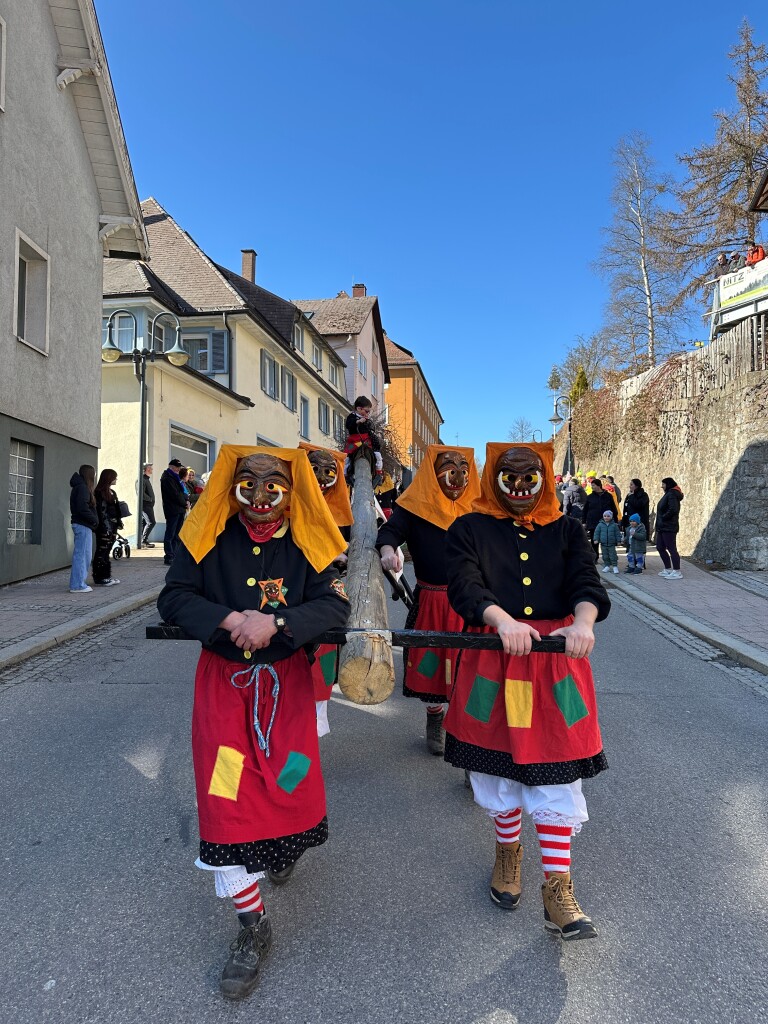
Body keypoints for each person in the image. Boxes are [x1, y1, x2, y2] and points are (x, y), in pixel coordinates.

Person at [157, 446, 350, 1002]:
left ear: (291, 492)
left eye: (274, 487)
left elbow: (335, 605)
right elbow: (174, 596)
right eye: (250, 485)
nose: (262, 498)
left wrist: (279, 622)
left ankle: (282, 846)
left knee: (288, 782)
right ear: (233, 485)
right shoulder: (209, 538)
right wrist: (229, 619)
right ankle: (251, 924)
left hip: (287, 689)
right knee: (226, 794)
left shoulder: (307, 541)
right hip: (224, 690)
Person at [443, 441, 610, 940]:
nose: (519, 488)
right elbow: (465, 584)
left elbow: (587, 580)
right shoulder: (468, 527)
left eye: (529, 478)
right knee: (500, 774)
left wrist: (584, 622)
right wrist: (499, 619)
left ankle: (558, 888)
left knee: (556, 772)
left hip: (556, 667)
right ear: (493, 476)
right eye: (508, 477)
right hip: (495, 660)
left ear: (545, 477)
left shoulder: (567, 527)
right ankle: (508, 854)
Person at [375, 446, 481, 755]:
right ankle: (435, 720)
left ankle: (466, 739)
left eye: (463, 466)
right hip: (432, 601)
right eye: (448, 465)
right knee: (432, 669)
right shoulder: (415, 507)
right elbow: (390, 532)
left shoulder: (479, 509)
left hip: (472, 604)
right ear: (432, 473)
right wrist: (388, 550)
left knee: (471, 669)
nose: (456, 472)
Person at [300, 442, 354, 738]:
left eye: (328, 471)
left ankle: (303, 762)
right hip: (292, 604)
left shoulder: (339, 511)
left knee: (320, 685)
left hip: (327, 603)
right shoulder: (287, 508)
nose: (321, 477)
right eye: (314, 470)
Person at [69, 465, 98, 593]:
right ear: (89, 475)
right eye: (94, 474)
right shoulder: (82, 488)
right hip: (83, 525)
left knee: (83, 555)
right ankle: (77, 585)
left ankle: (79, 583)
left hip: (82, 524)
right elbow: (82, 508)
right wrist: (94, 519)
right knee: (82, 556)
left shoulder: (80, 487)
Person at [92, 469, 122, 587]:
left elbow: (115, 509)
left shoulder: (111, 492)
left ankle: (106, 576)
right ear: (109, 478)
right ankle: (100, 577)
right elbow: (102, 512)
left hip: (112, 526)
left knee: (107, 551)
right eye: (115, 477)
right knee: (102, 550)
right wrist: (106, 527)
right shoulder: (99, 493)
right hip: (104, 527)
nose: (116, 479)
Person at [344, 396, 383, 481]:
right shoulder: (352, 416)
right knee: (346, 457)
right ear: (359, 408)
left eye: (369, 412)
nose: (367, 413)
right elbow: (348, 425)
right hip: (354, 440)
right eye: (366, 411)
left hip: (366, 440)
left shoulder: (367, 418)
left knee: (377, 453)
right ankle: (345, 474)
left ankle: (378, 472)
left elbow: (370, 428)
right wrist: (358, 421)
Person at [655, 477, 685, 580]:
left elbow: (673, 509)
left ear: (668, 484)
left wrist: (663, 518)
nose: (662, 486)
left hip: (669, 526)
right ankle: (667, 568)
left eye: (663, 484)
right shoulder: (668, 494)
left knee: (672, 548)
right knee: (660, 547)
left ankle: (677, 571)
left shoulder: (672, 494)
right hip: (662, 526)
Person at [161, 459, 188, 566]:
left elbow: (181, 492)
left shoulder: (174, 477)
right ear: (172, 467)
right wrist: (184, 503)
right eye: (177, 467)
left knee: (177, 534)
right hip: (173, 509)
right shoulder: (167, 478)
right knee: (170, 534)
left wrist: (185, 500)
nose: (179, 469)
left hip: (179, 509)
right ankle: (169, 556)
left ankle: (175, 555)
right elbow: (175, 495)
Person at [581, 478, 615, 560]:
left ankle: (607, 557)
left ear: (598, 485)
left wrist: (615, 520)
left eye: (593, 485)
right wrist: (584, 521)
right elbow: (585, 510)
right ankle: (595, 557)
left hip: (606, 521)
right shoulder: (590, 497)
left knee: (606, 540)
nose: (592, 487)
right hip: (593, 521)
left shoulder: (608, 496)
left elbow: (613, 508)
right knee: (594, 540)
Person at [593, 510, 620, 574]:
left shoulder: (614, 525)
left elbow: (617, 533)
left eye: (608, 516)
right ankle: (607, 565)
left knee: (613, 555)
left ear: (611, 517)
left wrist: (618, 540)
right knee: (605, 555)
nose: (606, 517)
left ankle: (615, 566)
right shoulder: (600, 525)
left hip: (611, 543)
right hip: (603, 543)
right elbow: (597, 532)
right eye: (605, 516)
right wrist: (596, 539)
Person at [141, 464, 156, 547]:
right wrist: (150, 499)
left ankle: (144, 541)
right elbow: (141, 494)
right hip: (145, 505)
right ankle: (143, 541)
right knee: (151, 522)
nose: (152, 469)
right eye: (150, 468)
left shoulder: (146, 479)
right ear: (145, 469)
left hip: (148, 505)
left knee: (146, 523)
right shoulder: (142, 479)